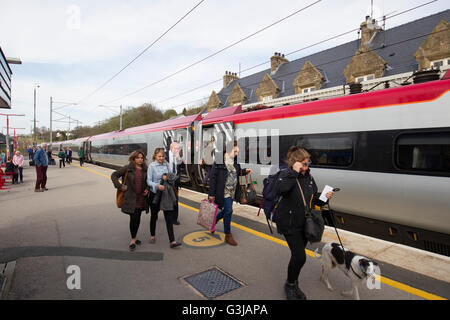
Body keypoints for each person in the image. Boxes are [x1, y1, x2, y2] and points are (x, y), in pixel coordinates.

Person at [275, 146, 334, 300]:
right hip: (289, 223)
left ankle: (294, 282)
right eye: (304, 164)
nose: (307, 167)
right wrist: (294, 172)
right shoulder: (284, 175)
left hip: (305, 223)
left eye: (308, 163)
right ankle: (290, 285)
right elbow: (280, 190)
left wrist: (324, 197)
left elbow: (313, 200)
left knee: (298, 257)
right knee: (300, 257)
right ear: (295, 163)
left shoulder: (309, 178)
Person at [208, 140, 251, 246]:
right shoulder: (219, 161)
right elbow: (213, 178)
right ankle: (228, 235)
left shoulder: (235, 161)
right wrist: (211, 194)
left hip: (233, 191)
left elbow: (236, 172)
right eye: (235, 151)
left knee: (227, 211)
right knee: (228, 210)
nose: (236, 154)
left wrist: (245, 171)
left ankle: (214, 221)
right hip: (223, 191)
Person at [111, 150, 150, 251]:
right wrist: (119, 186)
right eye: (138, 158)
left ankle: (135, 236)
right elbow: (114, 175)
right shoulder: (127, 168)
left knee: (138, 218)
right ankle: (133, 239)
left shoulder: (146, 169)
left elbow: (148, 181)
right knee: (134, 218)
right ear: (133, 159)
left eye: (142, 158)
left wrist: (147, 189)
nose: (140, 160)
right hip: (131, 198)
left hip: (141, 198)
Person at [146, 147, 182, 249]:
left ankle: (172, 241)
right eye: (159, 156)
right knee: (154, 216)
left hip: (165, 194)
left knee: (169, 218)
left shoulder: (166, 164)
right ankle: (152, 235)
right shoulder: (152, 166)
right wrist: (156, 185)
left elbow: (171, 176)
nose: (161, 158)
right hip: (155, 194)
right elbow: (148, 181)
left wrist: (169, 178)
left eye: (162, 156)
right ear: (155, 156)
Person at [166, 141, 182, 225]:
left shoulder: (178, 157)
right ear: (171, 148)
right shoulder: (165, 155)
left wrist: (179, 159)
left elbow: (181, 167)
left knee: (175, 200)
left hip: (175, 182)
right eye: (176, 148)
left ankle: (174, 219)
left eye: (178, 148)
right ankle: (156, 213)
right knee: (164, 199)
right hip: (166, 181)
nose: (177, 150)